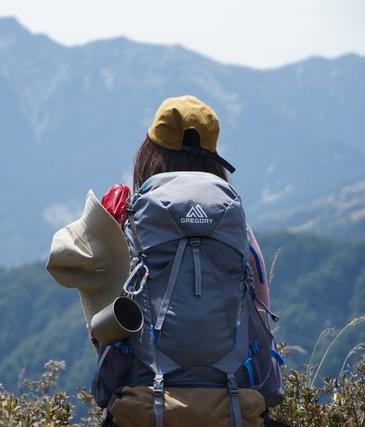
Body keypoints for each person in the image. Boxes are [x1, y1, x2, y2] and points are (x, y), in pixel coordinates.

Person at [48, 95, 279, 427]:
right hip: (234, 408)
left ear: (150, 151)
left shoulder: (129, 224)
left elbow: (101, 333)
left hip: (142, 407)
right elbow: (260, 319)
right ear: (215, 155)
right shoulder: (239, 230)